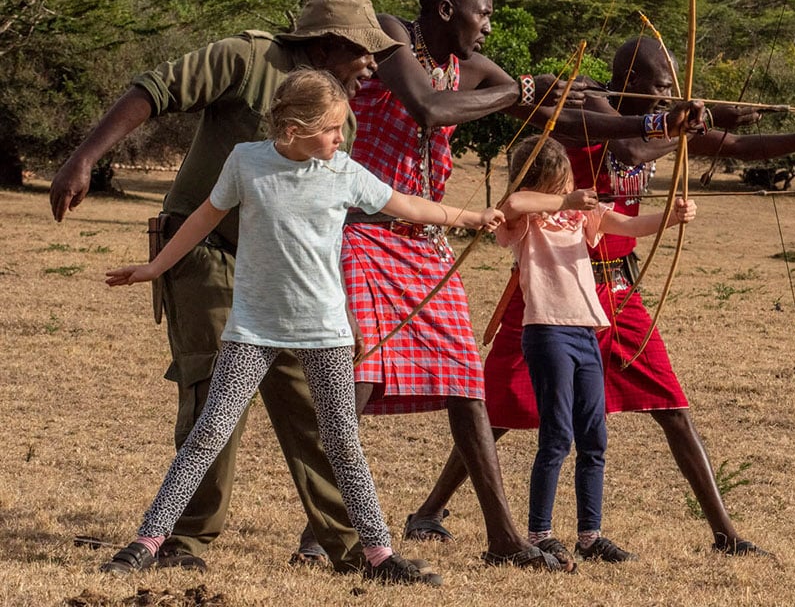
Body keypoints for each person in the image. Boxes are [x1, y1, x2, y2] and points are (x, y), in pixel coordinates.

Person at [415, 35, 795, 558]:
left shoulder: (662, 122)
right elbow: (627, 144)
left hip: (618, 290)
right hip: (551, 284)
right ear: (628, 82)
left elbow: (738, 147)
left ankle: (725, 533)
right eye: (659, 86)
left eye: (671, 88)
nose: (667, 95)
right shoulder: (586, 107)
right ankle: (429, 511)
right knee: (503, 410)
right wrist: (690, 120)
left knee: (671, 405)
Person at [343, 0, 705, 570]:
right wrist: (520, 93)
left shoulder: (475, 71)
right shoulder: (390, 35)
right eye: (481, 13)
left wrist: (656, 123)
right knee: (353, 387)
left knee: (466, 386)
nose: (488, 26)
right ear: (443, 12)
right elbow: (428, 108)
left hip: (425, 237)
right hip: (366, 233)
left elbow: (565, 121)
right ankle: (325, 527)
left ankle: (505, 540)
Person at [98, 69, 503, 584]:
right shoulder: (247, 162)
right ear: (294, 126)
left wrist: (470, 219)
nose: (341, 138)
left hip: (326, 334)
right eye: (333, 128)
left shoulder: (343, 171)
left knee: (342, 443)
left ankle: (380, 557)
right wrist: (155, 268)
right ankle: (146, 541)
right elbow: (203, 216)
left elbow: (406, 205)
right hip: (252, 330)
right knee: (209, 435)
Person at [49, 0, 406, 573]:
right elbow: (153, 90)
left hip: (284, 278)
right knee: (215, 397)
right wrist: (85, 157)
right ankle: (183, 544)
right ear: (328, 44)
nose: (373, 65)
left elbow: (329, 214)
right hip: (205, 252)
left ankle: (353, 548)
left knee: (314, 409)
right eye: (366, 52)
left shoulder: (342, 118)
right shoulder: (245, 59)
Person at [494, 136, 695, 567]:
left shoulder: (580, 215)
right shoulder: (525, 220)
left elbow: (630, 226)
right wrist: (563, 198)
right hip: (547, 332)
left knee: (594, 437)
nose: (569, 183)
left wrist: (671, 218)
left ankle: (590, 535)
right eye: (560, 177)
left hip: (586, 332)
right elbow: (513, 204)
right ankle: (540, 533)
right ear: (544, 180)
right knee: (556, 436)